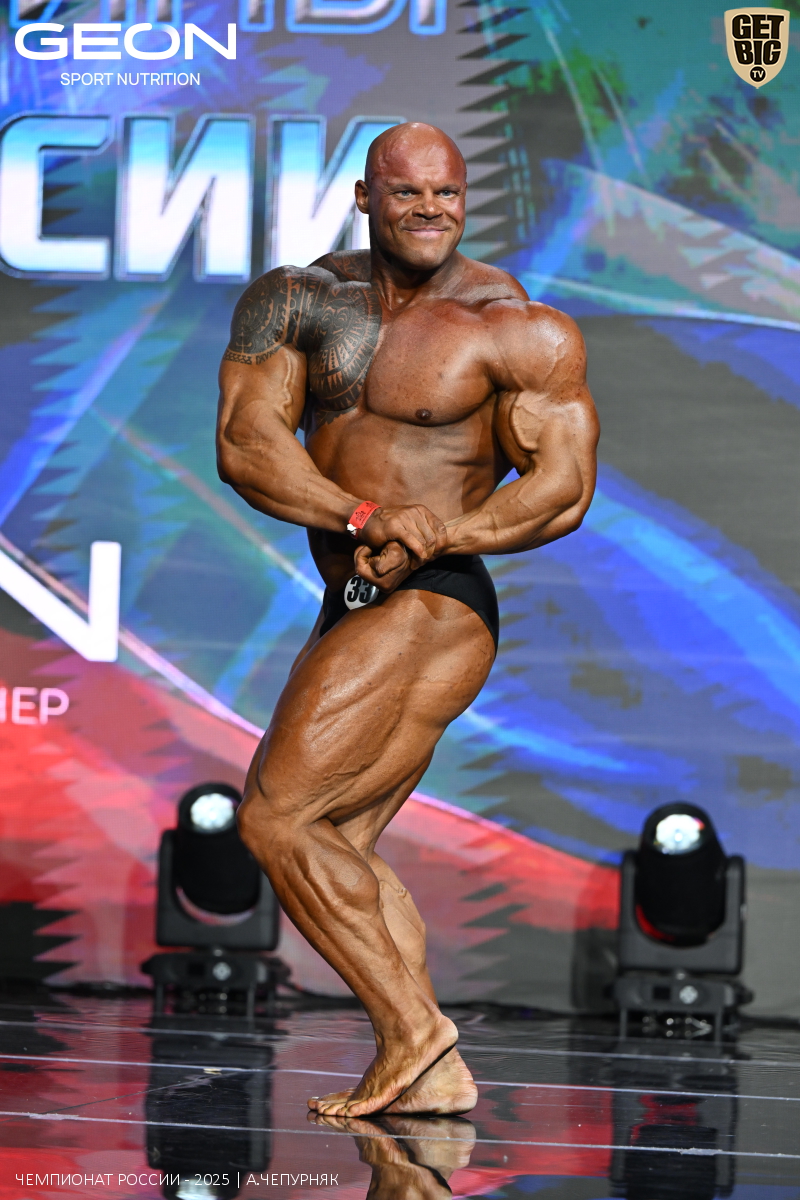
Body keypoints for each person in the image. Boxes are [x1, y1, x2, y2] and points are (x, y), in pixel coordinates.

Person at [216, 121, 598, 1118]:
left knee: (276, 817)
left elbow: (560, 488)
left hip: (436, 599)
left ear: (466, 198)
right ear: (364, 197)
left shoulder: (513, 327)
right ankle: (435, 1076)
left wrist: (439, 533)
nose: (430, 209)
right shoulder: (299, 301)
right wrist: (361, 516)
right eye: (407, 192)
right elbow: (247, 444)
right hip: (352, 591)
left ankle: (412, 1033)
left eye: (447, 193)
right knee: (335, 835)